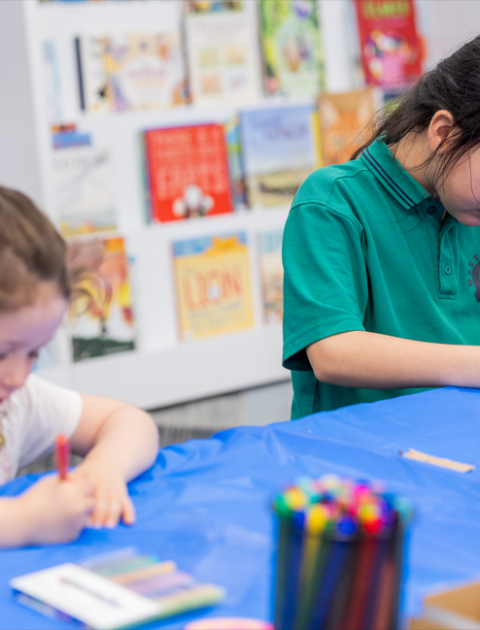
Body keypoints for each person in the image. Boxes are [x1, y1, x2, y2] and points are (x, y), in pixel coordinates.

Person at [283, 35, 480, 419]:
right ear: (442, 133)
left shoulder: (468, 205)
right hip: (363, 459)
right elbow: (333, 352)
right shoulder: (331, 202)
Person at [0, 187, 159, 546]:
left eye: (33, 353)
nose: (19, 376)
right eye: (2, 353)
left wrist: (104, 467)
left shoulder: (15, 401)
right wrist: (24, 521)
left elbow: (128, 421)